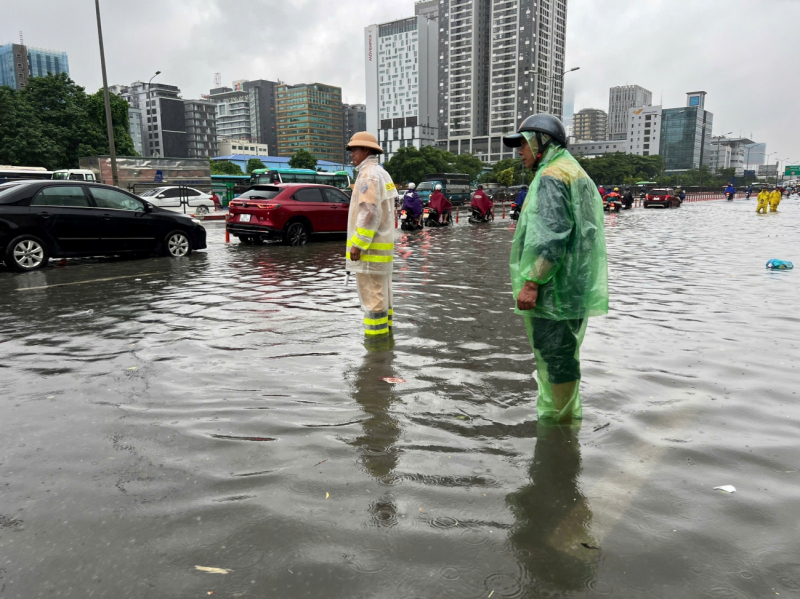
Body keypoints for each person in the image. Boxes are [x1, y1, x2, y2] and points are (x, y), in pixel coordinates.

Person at [502, 114, 608, 423]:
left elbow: (551, 235)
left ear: (540, 141)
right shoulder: (575, 172)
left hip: (554, 292)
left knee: (556, 357)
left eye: (523, 144)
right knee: (565, 353)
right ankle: (564, 421)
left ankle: (559, 426)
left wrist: (533, 281)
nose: (519, 151)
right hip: (574, 287)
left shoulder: (551, 175)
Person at [345, 132, 397, 339]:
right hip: (381, 250)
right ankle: (386, 342)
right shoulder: (381, 173)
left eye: (354, 150)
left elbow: (369, 212)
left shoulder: (368, 175)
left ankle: (376, 349)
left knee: (372, 297)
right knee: (383, 294)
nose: (351, 155)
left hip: (370, 251)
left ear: (366, 150)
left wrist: (358, 244)